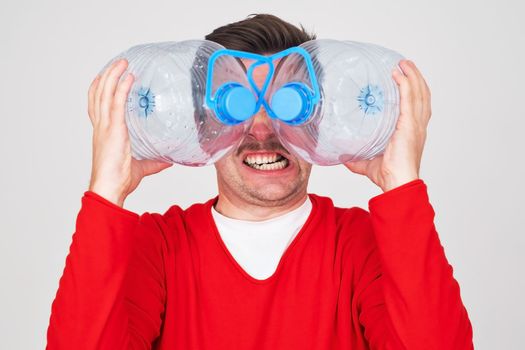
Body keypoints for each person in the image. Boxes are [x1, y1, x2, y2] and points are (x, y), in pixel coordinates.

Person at [46, 14, 474, 349]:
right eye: (238, 104)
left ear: (319, 119)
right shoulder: (157, 248)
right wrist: (106, 191)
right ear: (202, 124)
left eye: (289, 102)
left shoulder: (364, 245)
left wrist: (402, 186)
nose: (265, 128)